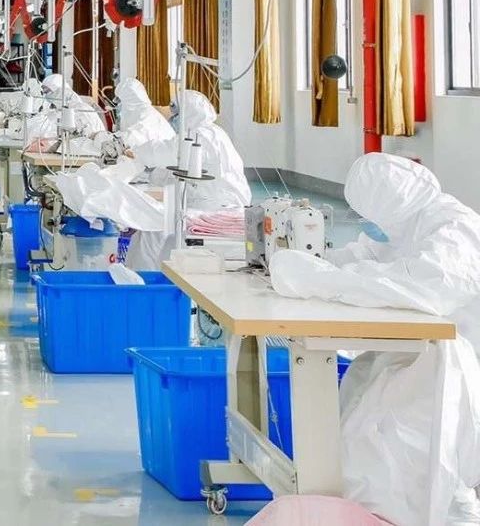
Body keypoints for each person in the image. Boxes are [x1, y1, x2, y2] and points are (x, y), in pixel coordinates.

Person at [270, 154, 480, 525]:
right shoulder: (410, 224)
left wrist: (321, 280)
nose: (370, 223)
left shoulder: (455, 231)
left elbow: (417, 287)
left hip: (457, 364)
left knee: (391, 448)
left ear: (390, 204)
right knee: (359, 413)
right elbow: (368, 256)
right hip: (418, 354)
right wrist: (318, 262)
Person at [126, 90, 250, 270]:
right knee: (154, 226)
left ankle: (143, 279)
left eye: (176, 114)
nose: (173, 119)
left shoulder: (202, 136)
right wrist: (150, 173)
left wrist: (135, 153)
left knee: (152, 230)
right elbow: (175, 167)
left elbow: (168, 152)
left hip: (215, 208)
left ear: (188, 113)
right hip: (214, 203)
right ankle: (142, 275)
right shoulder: (212, 132)